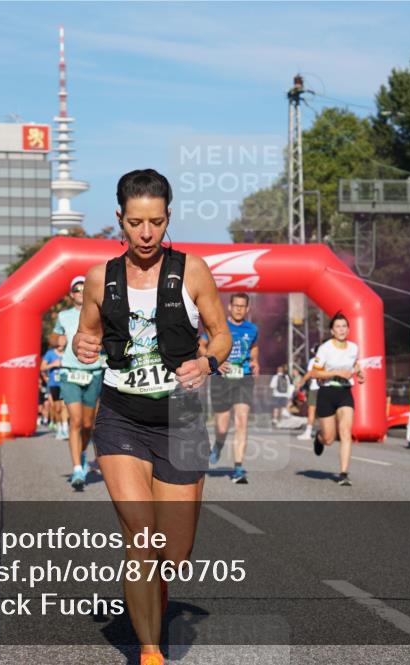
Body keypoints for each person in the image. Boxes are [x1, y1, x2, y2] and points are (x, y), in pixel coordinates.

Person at [72, 168, 231, 665]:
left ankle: (155, 593)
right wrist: (82, 345)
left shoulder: (193, 271)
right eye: (136, 222)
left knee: (174, 554)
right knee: (141, 536)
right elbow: (86, 336)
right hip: (121, 418)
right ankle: (149, 651)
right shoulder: (100, 278)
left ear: (168, 218)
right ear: (119, 218)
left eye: (156, 222)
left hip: (181, 421)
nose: (146, 233)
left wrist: (207, 363)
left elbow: (221, 336)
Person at [55, 275, 105, 490]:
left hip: (93, 372)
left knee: (87, 424)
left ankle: (82, 453)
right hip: (70, 372)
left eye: (84, 289)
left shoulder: (100, 314)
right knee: (75, 421)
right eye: (77, 289)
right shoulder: (63, 316)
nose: (80, 293)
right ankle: (77, 468)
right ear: (71, 294)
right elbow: (54, 337)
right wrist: (57, 341)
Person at [203, 293, 259, 484]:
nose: (239, 309)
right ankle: (218, 444)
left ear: (247, 309)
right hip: (222, 379)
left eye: (242, 306)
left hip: (244, 378)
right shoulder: (219, 328)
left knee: (242, 421)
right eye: (236, 305)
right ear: (229, 307)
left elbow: (254, 347)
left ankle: (238, 468)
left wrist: (255, 360)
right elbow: (201, 345)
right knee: (222, 426)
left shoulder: (252, 329)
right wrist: (214, 361)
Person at [311, 312, 365, 487]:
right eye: (338, 327)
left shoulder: (354, 348)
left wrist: (359, 373)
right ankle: (319, 438)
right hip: (327, 392)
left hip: (344, 392)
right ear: (332, 331)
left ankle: (343, 474)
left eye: (344, 326)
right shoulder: (325, 348)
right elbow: (315, 372)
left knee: (346, 432)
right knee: (329, 439)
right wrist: (336, 372)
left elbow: (354, 364)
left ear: (348, 330)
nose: (341, 330)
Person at [41, 333, 68, 439]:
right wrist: (53, 364)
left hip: (66, 383)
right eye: (60, 340)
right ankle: (59, 428)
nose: (62, 342)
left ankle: (65, 429)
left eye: (63, 340)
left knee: (64, 406)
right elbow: (42, 367)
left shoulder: (67, 353)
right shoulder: (50, 353)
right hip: (54, 384)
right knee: (57, 408)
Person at [296, 348, 320, 441]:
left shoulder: (314, 360)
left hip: (315, 387)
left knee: (312, 410)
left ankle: (308, 432)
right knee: (327, 411)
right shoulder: (330, 359)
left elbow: (310, 373)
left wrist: (301, 382)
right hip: (327, 387)